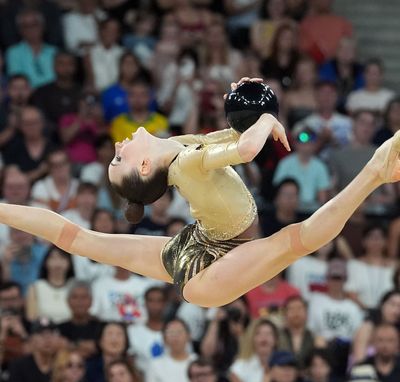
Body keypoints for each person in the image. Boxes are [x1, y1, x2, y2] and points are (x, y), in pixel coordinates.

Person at [0, 77, 400, 309]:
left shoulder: (178, 147)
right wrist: (265, 119)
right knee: (294, 240)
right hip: (207, 277)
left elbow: (230, 135)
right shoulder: (183, 163)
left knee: (79, 239)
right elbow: (245, 150)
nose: (116, 149)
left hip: (196, 245)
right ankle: (376, 171)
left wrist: (245, 104)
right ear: (144, 168)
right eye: (117, 161)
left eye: (114, 157)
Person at [5, 317, 60, 382]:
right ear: (32, 339)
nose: (47, 338)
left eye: (51, 333)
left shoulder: (64, 364)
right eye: (41, 334)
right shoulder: (19, 366)